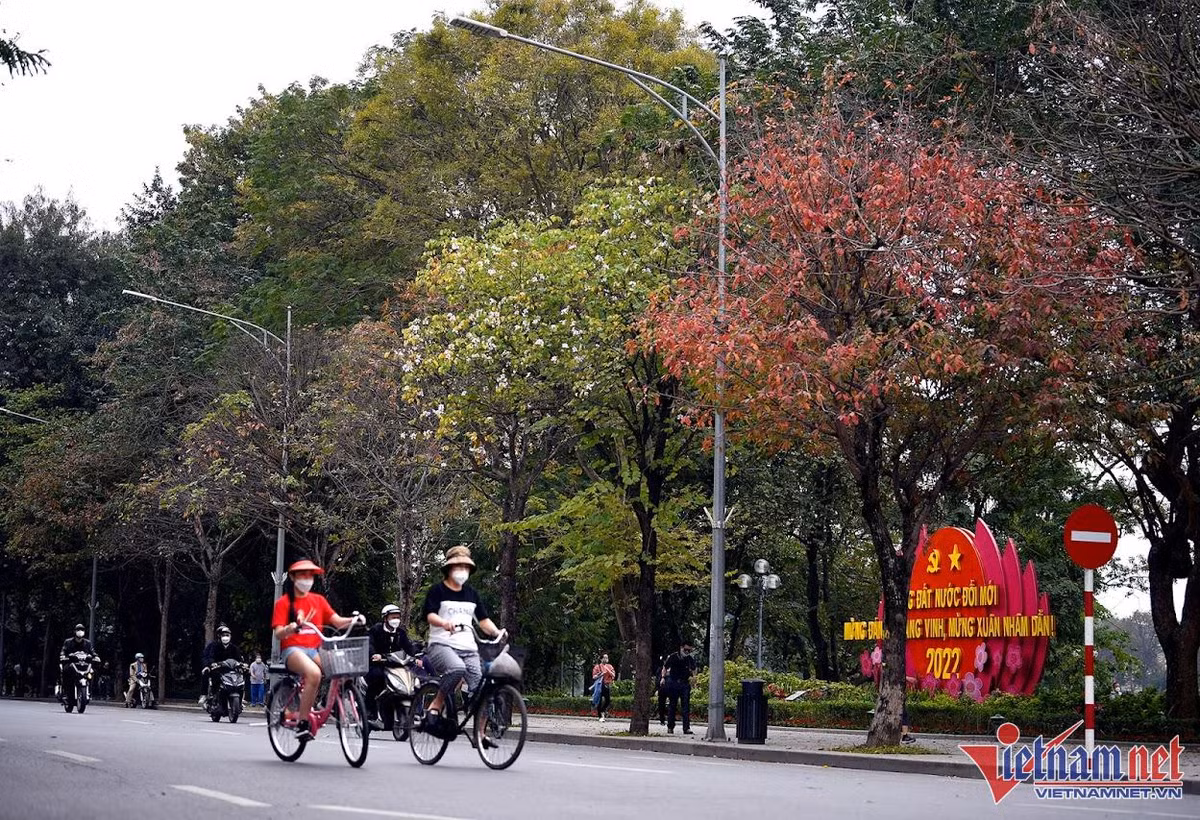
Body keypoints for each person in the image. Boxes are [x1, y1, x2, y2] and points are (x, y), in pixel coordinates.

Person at [271, 558, 364, 741]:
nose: (307, 579)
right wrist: (291, 628)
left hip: (315, 649)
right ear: (292, 577)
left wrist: (354, 620)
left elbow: (336, 621)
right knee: (314, 674)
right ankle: (303, 723)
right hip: (293, 650)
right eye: (302, 575)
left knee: (342, 668)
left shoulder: (318, 600)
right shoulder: (284, 603)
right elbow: (278, 633)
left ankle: (332, 704)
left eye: (310, 575)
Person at [420, 545, 505, 728]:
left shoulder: (471, 594)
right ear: (450, 568)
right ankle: (437, 703)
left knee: (482, 688)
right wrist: (444, 623)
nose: (462, 571)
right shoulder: (437, 591)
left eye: (466, 567)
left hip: (468, 648)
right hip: (442, 645)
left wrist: (497, 632)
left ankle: (480, 734)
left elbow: (483, 621)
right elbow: (430, 615)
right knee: (457, 668)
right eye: (459, 567)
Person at [366, 603, 417, 730]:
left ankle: (412, 713)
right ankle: (371, 712)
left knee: (413, 681)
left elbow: (409, 648)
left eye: (398, 617)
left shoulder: (401, 633)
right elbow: (370, 644)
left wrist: (416, 657)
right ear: (385, 618)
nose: (396, 620)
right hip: (377, 665)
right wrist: (374, 655)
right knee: (377, 677)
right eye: (393, 617)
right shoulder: (376, 629)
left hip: (395, 666)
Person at [201, 624, 245, 705]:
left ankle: (240, 698)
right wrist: (210, 664)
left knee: (241, 675)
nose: (225, 637)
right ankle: (207, 695)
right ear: (219, 636)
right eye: (223, 635)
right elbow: (209, 657)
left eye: (227, 635)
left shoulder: (234, 647)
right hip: (217, 668)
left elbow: (239, 658)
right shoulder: (214, 646)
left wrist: (242, 665)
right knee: (209, 673)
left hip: (230, 669)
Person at [662, 641, 697, 735]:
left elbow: (694, 669)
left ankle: (686, 728)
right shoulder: (673, 656)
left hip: (684, 684)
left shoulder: (689, 659)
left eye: (689, 650)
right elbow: (665, 667)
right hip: (673, 683)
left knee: (686, 706)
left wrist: (694, 679)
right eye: (686, 650)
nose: (687, 652)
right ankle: (670, 727)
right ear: (681, 648)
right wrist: (663, 678)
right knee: (672, 705)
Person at [59, 623, 98, 695]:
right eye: (78, 630)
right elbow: (63, 651)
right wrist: (63, 656)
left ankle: (91, 690)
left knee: (93, 672)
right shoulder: (68, 642)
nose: (80, 631)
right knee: (66, 671)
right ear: (75, 631)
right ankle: (66, 691)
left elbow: (92, 652)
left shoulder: (88, 643)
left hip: (84, 665)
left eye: (82, 630)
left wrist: (96, 656)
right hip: (71, 664)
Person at [591, 652, 616, 722]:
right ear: (601, 659)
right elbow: (594, 677)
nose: (606, 659)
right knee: (599, 700)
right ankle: (600, 717)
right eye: (604, 657)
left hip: (607, 685)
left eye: (607, 658)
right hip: (599, 685)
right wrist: (600, 674)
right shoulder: (597, 666)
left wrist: (607, 670)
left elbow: (613, 675)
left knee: (608, 700)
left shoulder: (610, 666)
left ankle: (602, 710)